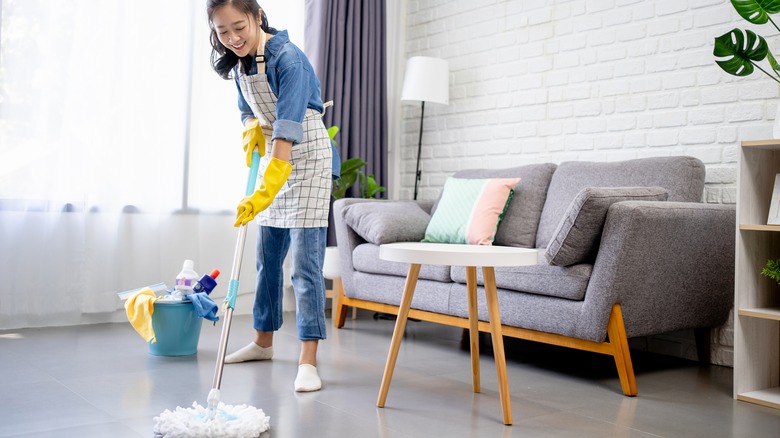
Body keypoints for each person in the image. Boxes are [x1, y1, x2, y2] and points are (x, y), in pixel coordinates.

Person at [207, 0, 332, 392]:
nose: (232, 38)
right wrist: (248, 128)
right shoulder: (241, 60)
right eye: (222, 31)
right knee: (267, 261)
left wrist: (269, 183)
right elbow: (248, 107)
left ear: (258, 16)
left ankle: (308, 360)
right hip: (275, 161)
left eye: (238, 26)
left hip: (306, 160)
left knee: (305, 267)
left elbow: (287, 126)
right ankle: (263, 342)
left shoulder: (288, 59)